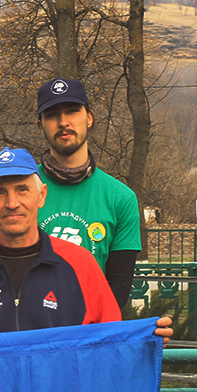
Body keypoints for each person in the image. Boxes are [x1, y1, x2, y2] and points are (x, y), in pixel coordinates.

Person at [0, 148, 171, 341]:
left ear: (42, 195)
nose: (12, 203)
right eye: (0, 192)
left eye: (23, 190)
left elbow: (111, 341)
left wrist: (144, 339)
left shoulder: (81, 264)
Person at [33, 77, 141, 308]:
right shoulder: (18, 192)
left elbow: (118, 286)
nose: (63, 122)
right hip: (30, 326)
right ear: (41, 125)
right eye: (52, 115)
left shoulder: (121, 198)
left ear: (89, 118)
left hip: (91, 326)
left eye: (72, 111)